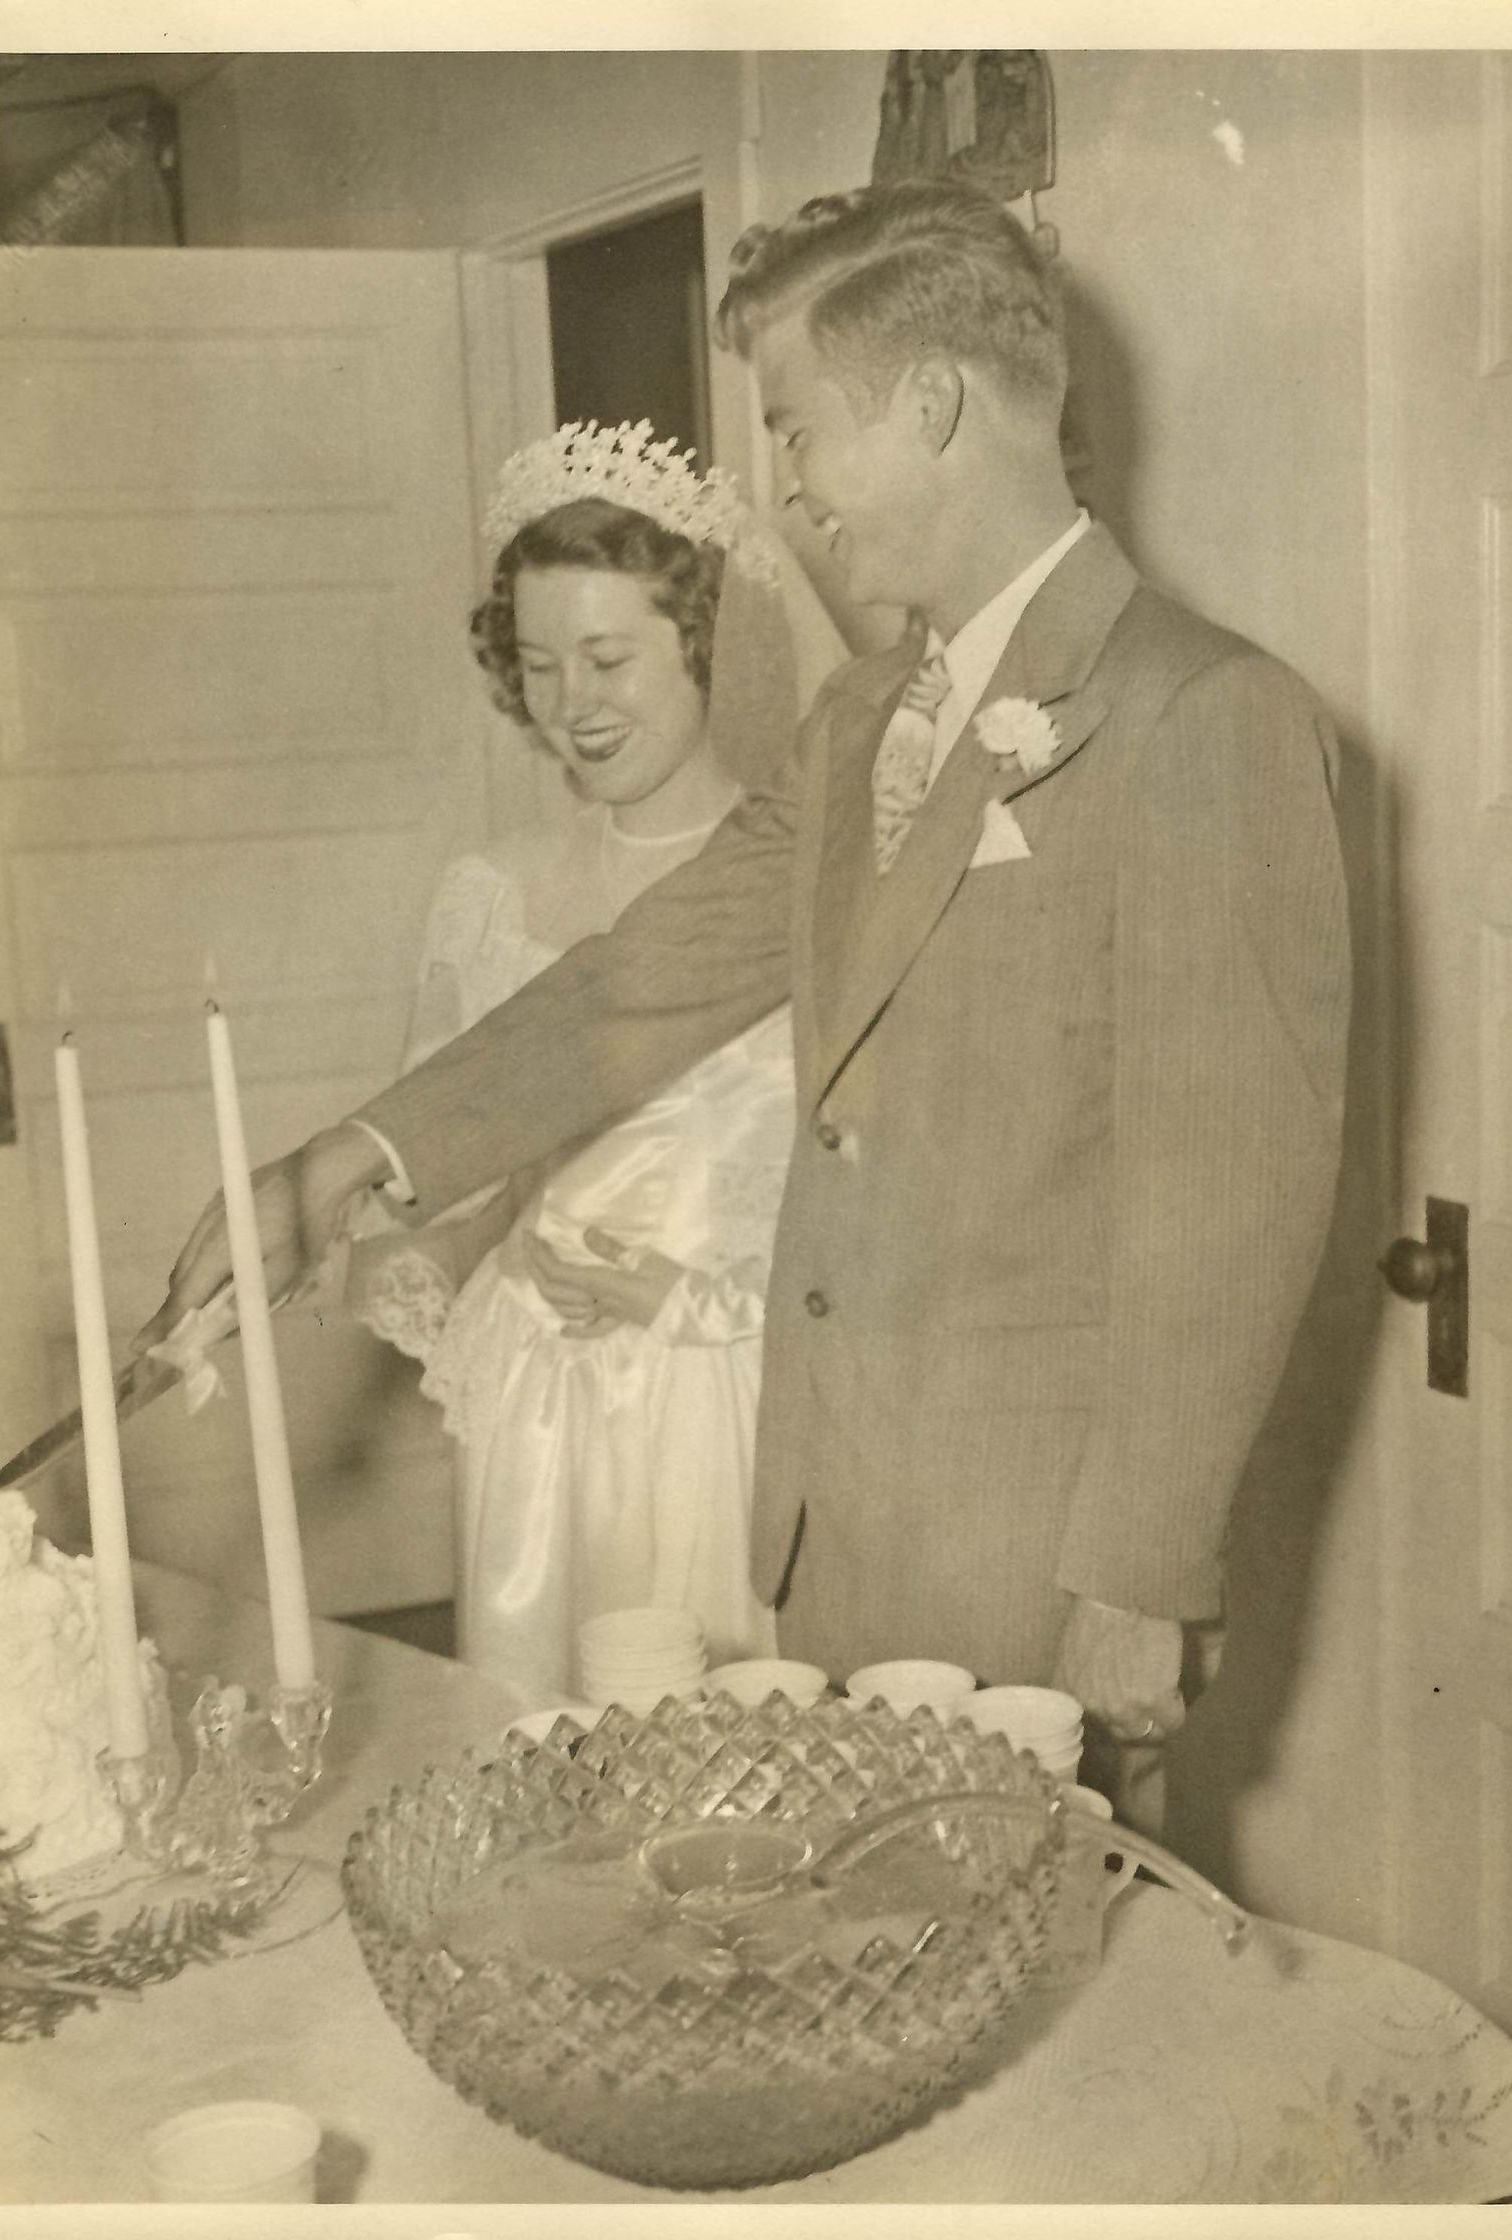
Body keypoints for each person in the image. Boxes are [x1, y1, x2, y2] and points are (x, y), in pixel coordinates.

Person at [140, 182, 1350, 1833]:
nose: (788, 491)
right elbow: (644, 977)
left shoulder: (1203, 715)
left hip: (1039, 1568)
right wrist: (350, 1158)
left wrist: (1143, 1572)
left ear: (931, 406)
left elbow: (1230, 1204)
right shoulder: (864, 718)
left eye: (797, 430)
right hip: (828, 1539)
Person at [343, 428, 800, 1700]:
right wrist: (391, 1241)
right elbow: (453, 1171)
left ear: (702, 641)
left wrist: (704, 1296)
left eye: (607, 658)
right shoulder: (488, 892)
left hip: (736, 1397)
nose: (572, 705)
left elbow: (880, 1171)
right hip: (540, 1415)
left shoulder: (804, 881)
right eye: (538, 666)